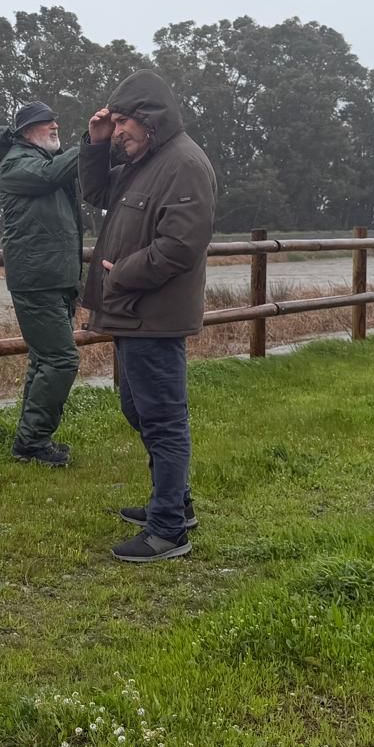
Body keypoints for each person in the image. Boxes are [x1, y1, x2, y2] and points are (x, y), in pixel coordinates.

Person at [80, 69, 215, 563]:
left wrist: (122, 275)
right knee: (139, 410)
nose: (117, 131)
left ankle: (168, 530)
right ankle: (174, 503)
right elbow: (97, 196)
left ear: (150, 119)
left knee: (162, 420)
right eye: (113, 124)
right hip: (132, 313)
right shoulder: (148, 161)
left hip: (152, 313)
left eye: (122, 123)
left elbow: (182, 245)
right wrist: (94, 146)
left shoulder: (184, 164)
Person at [0, 101, 83, 466]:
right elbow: (52, 175)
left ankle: (31, 441)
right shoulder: (19, 164)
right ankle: (32, 442)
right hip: (38, 281)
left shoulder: (38, 159)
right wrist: (90, 143)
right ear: (26, 132)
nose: (54, 126)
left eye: (54, 120)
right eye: (45, 123)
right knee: (61, 360)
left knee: (43, 360)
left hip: (54, 278)